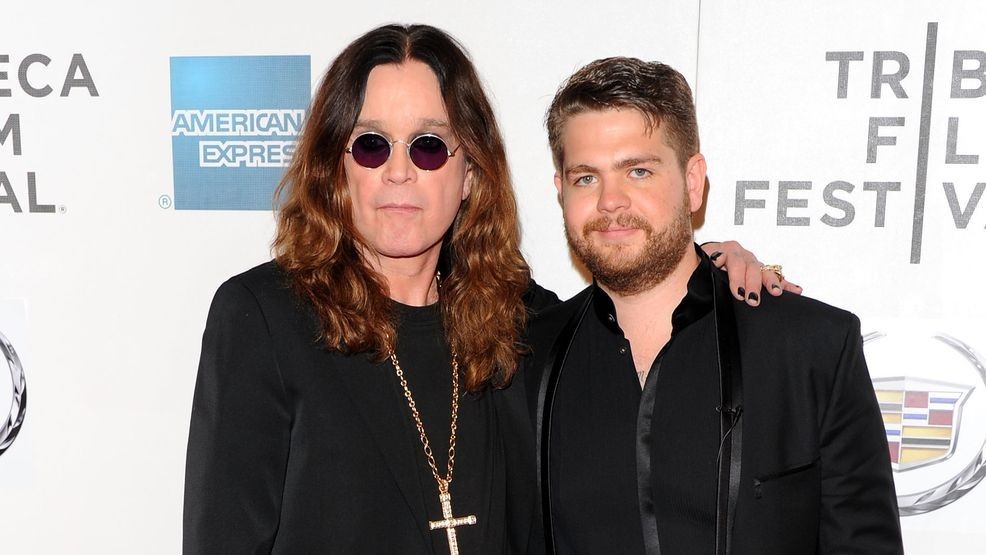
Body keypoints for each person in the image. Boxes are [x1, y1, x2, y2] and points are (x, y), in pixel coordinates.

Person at [182, 24, 794, 554]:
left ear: (470, 172)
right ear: (335, 166)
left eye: (428, 146)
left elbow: (639, 305)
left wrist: (716, 268)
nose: (399, 170)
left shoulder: (520, 320)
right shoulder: (264, 317)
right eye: (371, 145)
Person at [512, 57, 903, 554]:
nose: (611, 201)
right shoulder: (524, 362)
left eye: (638, 170)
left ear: (693, 182)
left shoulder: (811, 349)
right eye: (586, 177)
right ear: (560, 191)